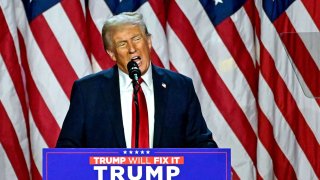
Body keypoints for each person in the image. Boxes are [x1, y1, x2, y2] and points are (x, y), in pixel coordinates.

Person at [56, 12, 218, 148]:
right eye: (122, 44)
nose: (132, 48)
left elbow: (201, 143)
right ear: (112, 53)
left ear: (148, 41)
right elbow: (67, 149)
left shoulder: (180, 87)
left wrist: (216, 165)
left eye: (136, 39)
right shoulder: (88, 91)